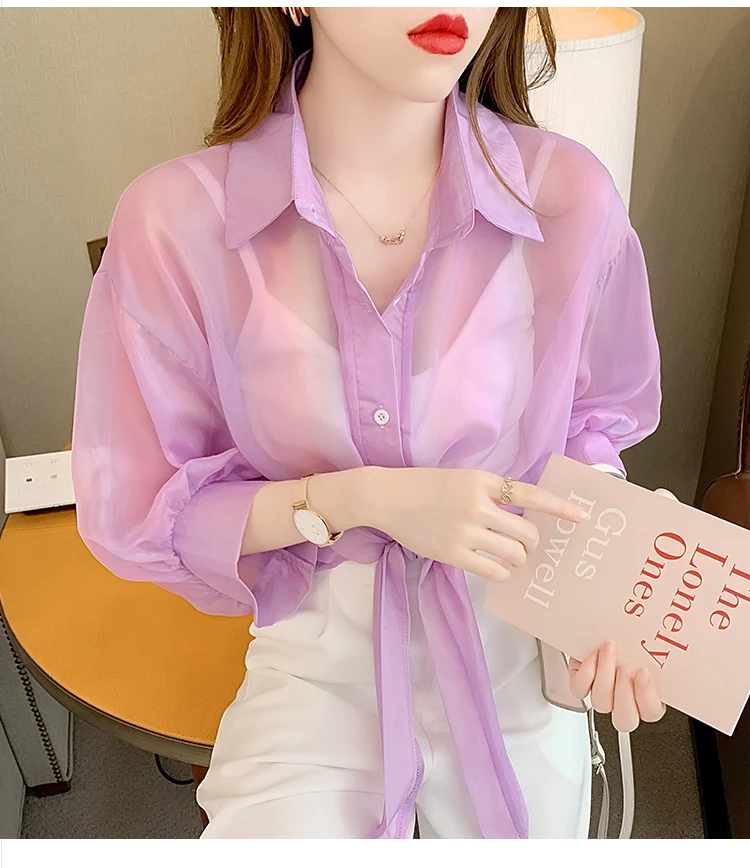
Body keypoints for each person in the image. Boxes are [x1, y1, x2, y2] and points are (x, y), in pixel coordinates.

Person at [71, 7, 665, 839]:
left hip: (513, 648)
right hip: (319, 660)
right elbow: (150, 507)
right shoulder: (177, 222)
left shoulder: (569, 196)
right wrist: (362, 499)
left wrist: (616, 586)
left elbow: (589, 427)